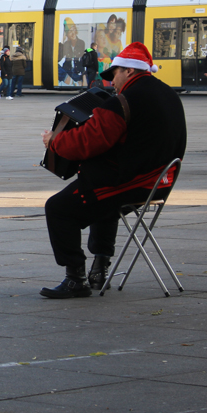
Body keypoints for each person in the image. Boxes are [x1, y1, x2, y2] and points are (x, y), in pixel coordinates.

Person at [40, 42, 186, 299]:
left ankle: (76, 279)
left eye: (114, 75)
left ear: (129, 71)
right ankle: (99, 269)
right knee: (104, 204)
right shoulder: (168, 94)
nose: (111, 82)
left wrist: (54, 140)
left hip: (131, 183)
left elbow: (87, 141)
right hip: (160, 182)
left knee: (59, 207)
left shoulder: (125, 102)